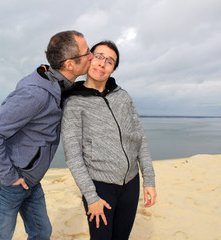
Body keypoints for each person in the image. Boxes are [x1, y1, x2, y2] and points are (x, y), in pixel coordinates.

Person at [0, 30, 93, 240]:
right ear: (69, 63)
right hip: (8, 181)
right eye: (87, 52)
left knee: (42, 233)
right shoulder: (36, 94)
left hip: (31, 179)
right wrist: (10, 176)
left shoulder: (58, 85)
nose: (92, 56)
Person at [61, 40, 157, 240]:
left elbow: (140, 139)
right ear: (89, 59)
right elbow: (73, 156)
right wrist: (91, 196)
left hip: (131, 184)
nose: (102, 63)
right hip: (99, 187)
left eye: (110, 61)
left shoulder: (123, 97)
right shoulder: (74, 103)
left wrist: (149, 180)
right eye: (98, 56)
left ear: (113, 69)